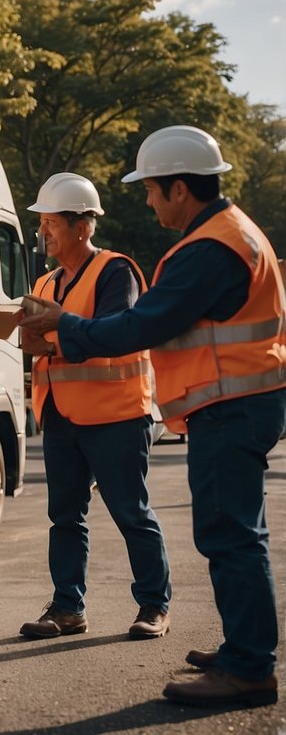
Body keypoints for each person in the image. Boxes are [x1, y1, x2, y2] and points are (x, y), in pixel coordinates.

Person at [19, 126, 286, 708]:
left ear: (180, 188)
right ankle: (247, 648)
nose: (146, 200)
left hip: (227, 407)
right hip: (234, 405)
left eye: (151, 190)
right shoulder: (232, 235)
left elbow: (140, 327)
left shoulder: (208, 248)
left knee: (231, 536)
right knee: (237, 534)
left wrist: (65, 326)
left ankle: (248, 667)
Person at [0, 172, 171, 643]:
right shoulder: (47, 281)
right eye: (43, 223)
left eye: (52, 222)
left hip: (116, 415)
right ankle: (68, 608)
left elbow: (114, 332)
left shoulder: (117, 271)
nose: (44, 231)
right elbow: (10, 322)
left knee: (130, 512)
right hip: (63, 417)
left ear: (83, 227)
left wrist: (52, 337)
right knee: (65, 517)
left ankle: (154, 605)